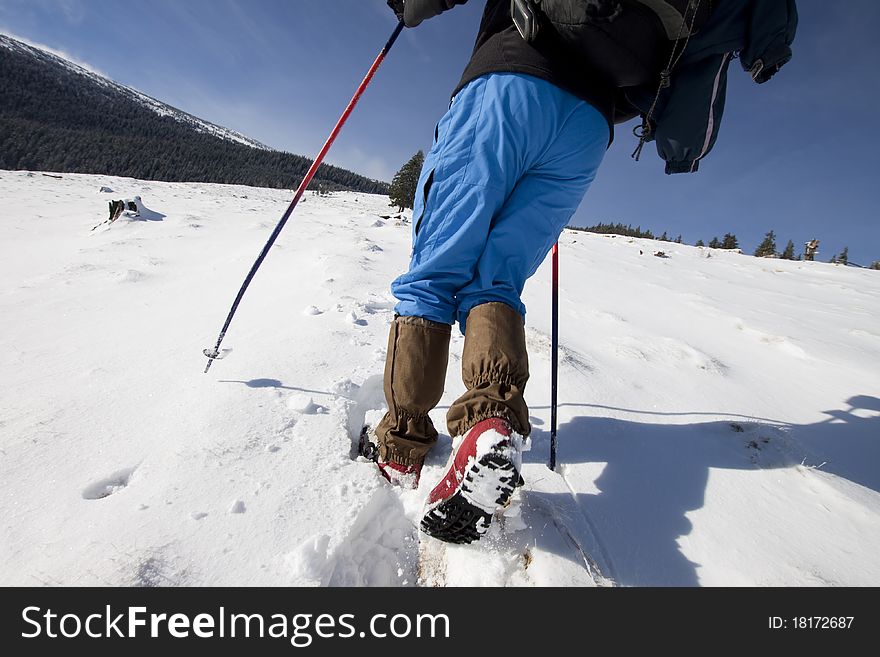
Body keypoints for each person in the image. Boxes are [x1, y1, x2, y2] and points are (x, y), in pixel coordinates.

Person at [375, 0, 797, 545]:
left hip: (511, 79)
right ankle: (490, 420)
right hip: (588, 127)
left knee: (434, 271)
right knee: (496, 279)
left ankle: (402, 445)